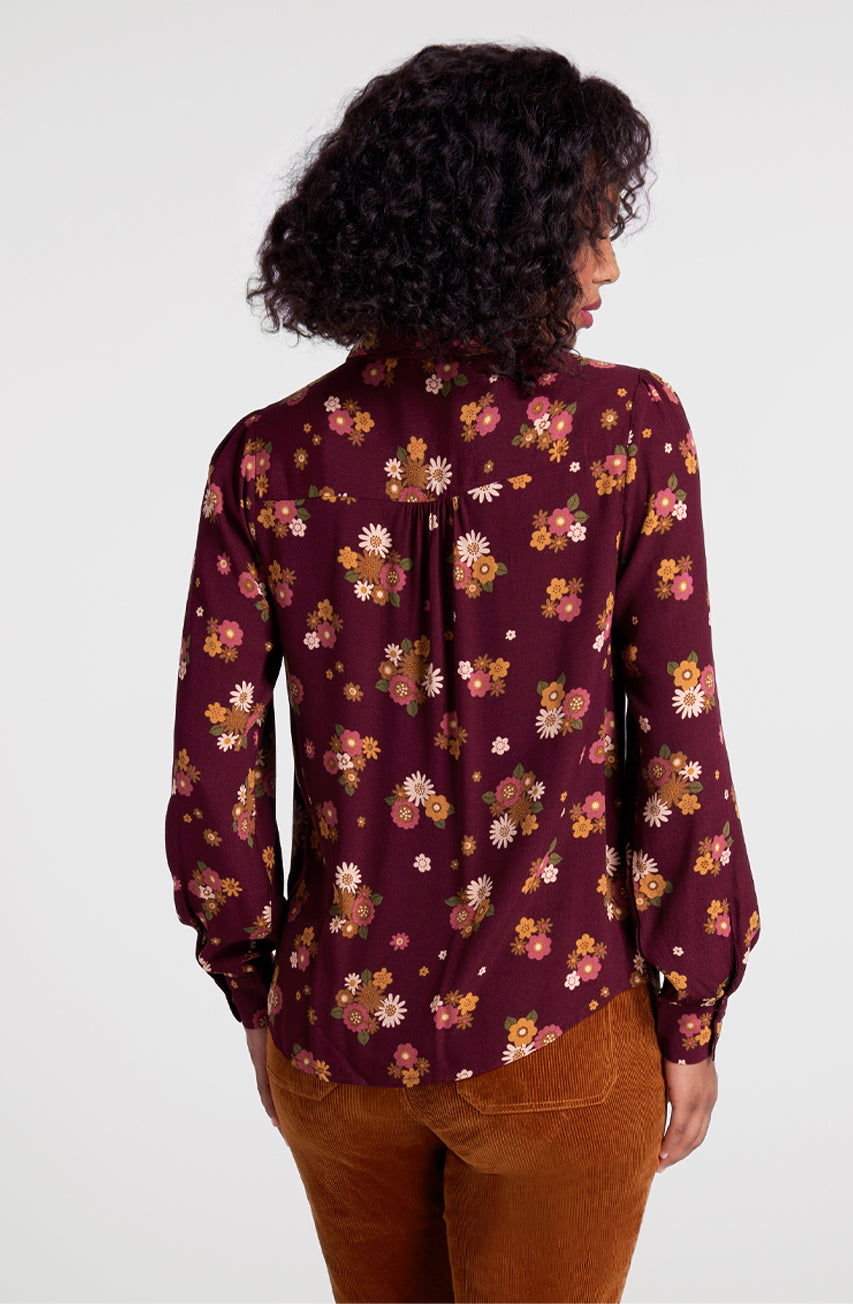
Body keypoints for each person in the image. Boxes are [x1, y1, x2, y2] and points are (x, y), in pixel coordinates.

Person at [165, 43, 760, 1304]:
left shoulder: (266, 458)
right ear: (496, 233)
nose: (606, 266)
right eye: (583, 229)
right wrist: (692, 1008)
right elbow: (680, 739)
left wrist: (256, 992)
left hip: (332, 1038)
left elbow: (214, 768)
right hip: (560, 1028)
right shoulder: (627, 429)